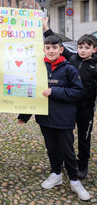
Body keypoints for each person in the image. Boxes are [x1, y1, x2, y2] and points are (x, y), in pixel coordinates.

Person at [19, 35, 90, 201]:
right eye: (48, 48)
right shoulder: (38, 68)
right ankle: (56, 173)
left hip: (64, 119)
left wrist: (55, 91)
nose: (51, 51)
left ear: (61, 49)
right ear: (44, 49)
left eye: (54, 48)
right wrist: (24, 115)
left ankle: (74, 179)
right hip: (44, 117)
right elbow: (32, 92)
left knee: (67, 150)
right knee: (52, 149)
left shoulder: (69, 69)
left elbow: (79, 93)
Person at [42, 19, 97, 179]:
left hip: (86, 108)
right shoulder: (72, 59)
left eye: (87, 48)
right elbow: (56, 44)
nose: (82, 50)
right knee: (67, 137)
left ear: (94, 50)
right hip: (69, 105)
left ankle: (83, 163)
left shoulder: (95, 66)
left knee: (84, 137)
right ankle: (66, 161)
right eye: (80, 47)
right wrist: (46, 28)